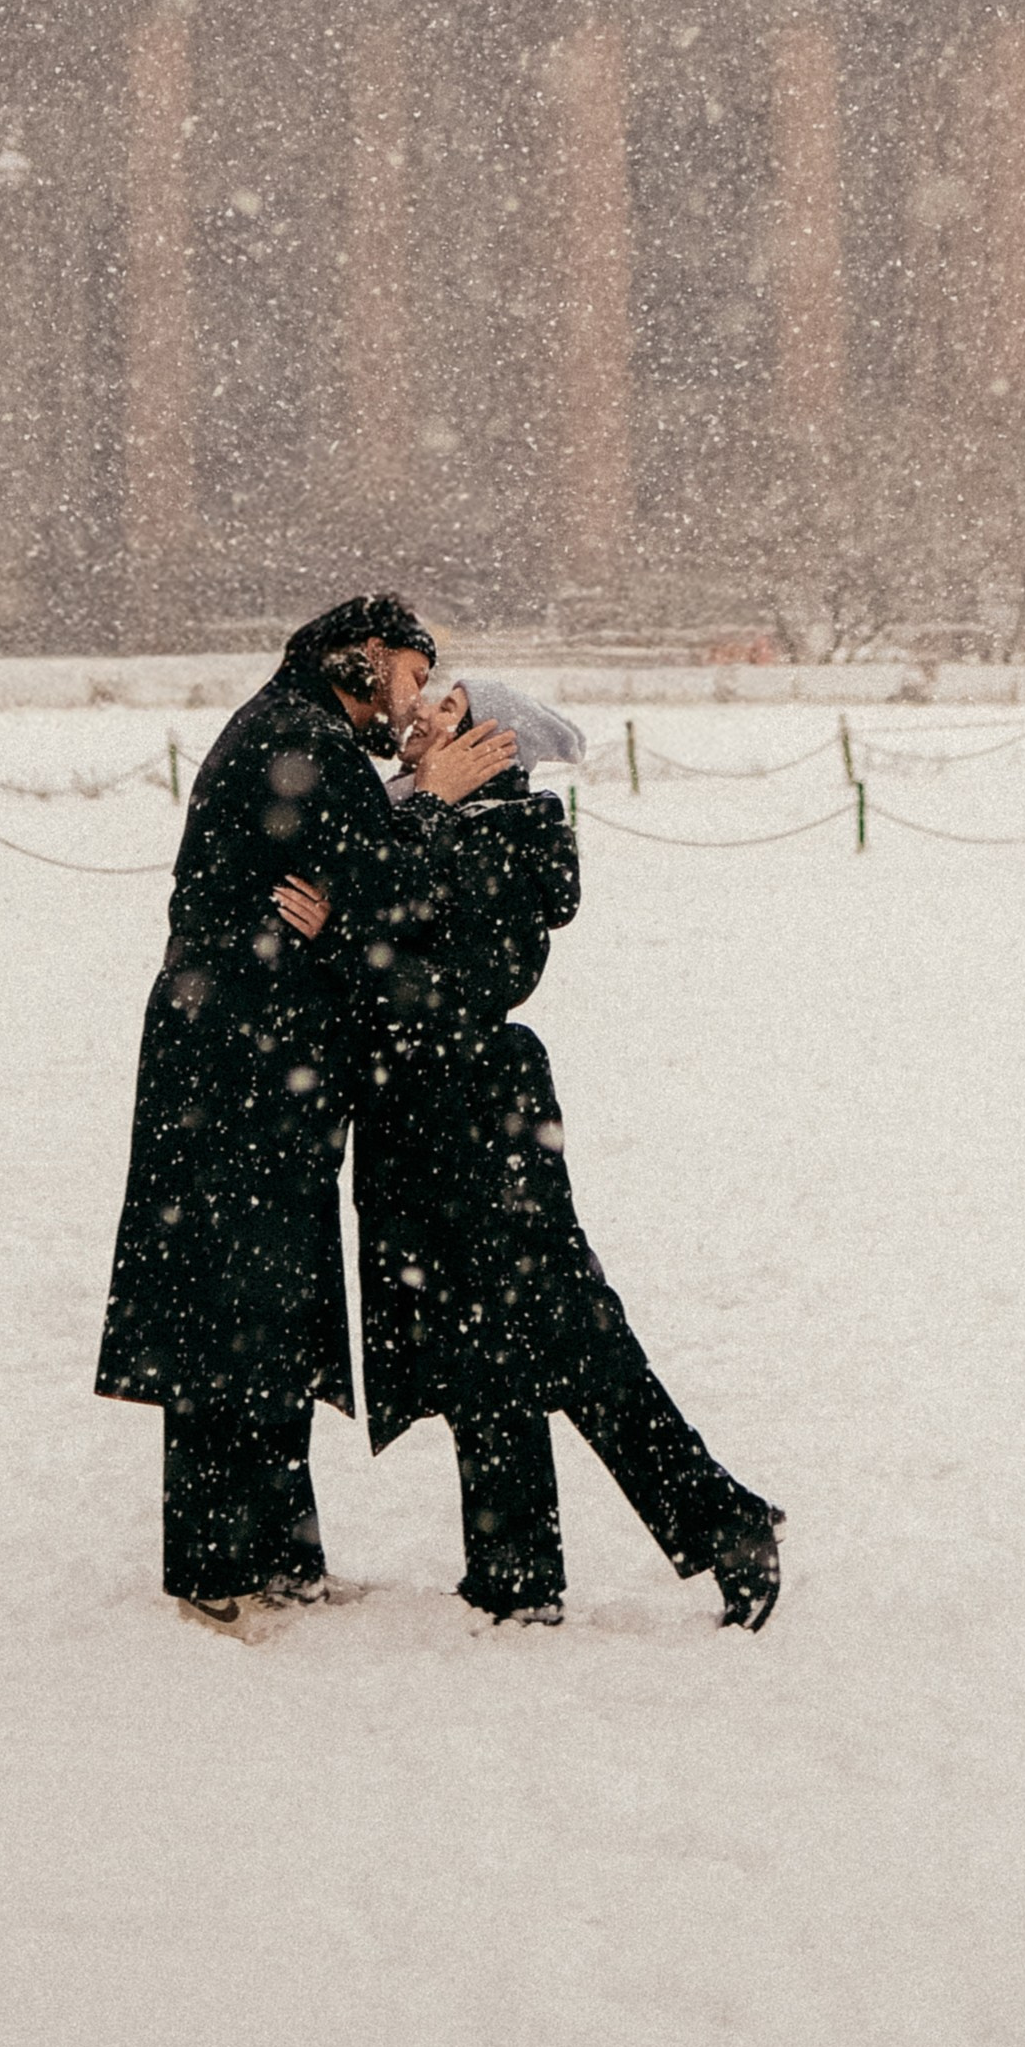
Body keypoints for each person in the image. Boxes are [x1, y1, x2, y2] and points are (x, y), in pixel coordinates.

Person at [93, 592, 514, 1635]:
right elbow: (385, 877)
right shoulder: (298, 736)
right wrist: (434, 794)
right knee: (229, 1310)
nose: (410, 703)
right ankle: (213, 1569)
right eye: (412, 676)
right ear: (364, 658)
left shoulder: (306, 732)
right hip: (233, 1069)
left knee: (269, 1308)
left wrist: (386, 835)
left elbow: (360, 884)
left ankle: (281, 1560)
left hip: (254, 1068)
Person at [345, 673, 785, 1631]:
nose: (423, 711)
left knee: (566, 1333)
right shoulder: (415, 815)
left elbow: (461, 984)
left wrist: (351, 926)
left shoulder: (506, 832)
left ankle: (720, 1517)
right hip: (423, 1117)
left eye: (452, 707)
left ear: (496, 743)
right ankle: (516, 1572)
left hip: (480, 1117)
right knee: (479, 1344)